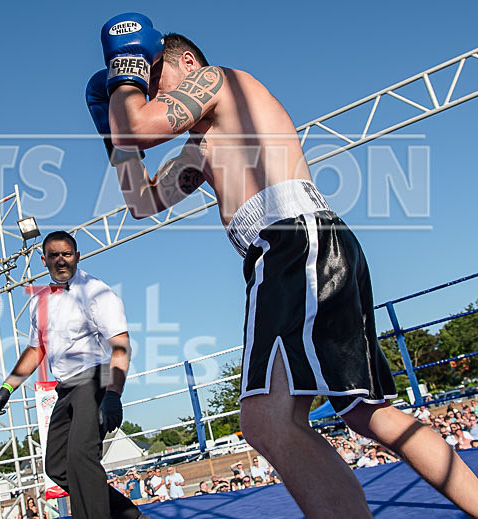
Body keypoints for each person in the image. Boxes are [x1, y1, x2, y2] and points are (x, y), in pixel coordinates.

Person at [88, 11, 478, 518]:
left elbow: (139, 126)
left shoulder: (218, 80)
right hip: (298, 247)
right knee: (368, 414)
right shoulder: (200, 148)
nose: (145, 86)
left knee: (267, 421)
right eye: (140, 74)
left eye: (152, 71)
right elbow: (141, 202)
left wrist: (123, 75)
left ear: (188, 63)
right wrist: (112, 134)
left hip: (290, 241)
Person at [0, 231, 142, 519]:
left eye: (67, 254)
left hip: (94, 379)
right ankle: (130, 516)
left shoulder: (97, 292)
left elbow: (120, 344)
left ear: (77, 257)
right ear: (44, 260)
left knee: (81, 457)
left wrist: (113, 395)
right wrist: (7, 387)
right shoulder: (39, 302)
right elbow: (36, 349)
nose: (61, 260)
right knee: (57, 466)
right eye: (54, 255)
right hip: (65, 387)